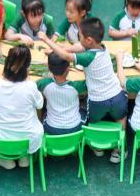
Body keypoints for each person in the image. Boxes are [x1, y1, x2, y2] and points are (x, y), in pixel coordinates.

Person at [42, 17, 127, 146]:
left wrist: (46, 40)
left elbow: (66, 56)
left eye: (80, 36)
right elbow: (79, 47)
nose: (79, 38)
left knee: (92, 120)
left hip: (98, 100)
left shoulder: (88, 57)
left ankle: (96, 146)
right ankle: (120, 147)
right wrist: (60, 48)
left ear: (89, 40)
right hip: (117, 96)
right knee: (121, 117)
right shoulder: (102, 47)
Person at [0, 44, 44, 169]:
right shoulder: (30, 86)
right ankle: (24, 156)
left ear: (6, 64)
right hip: (29, 138)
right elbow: (40, 104)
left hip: (2, 138)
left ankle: (3, 158)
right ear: (27, 67)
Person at [37, 52, 85, 135]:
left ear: (49, 68)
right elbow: (90, 82)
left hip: (51, 128)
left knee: (45, 112)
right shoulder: (77, 86)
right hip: (74, 128)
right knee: (84, 110)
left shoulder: (44, 83)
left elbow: (34, 85)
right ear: (68, 69)